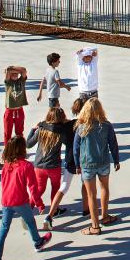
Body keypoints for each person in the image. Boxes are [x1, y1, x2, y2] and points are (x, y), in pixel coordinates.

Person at [0, 136, 52, 260]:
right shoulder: (27, 166)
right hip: (20, 201)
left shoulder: (6, 164)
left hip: (6, 201)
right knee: (30, 221)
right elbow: (32, 187)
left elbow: (3, 182)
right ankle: (37, 242)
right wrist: (39, 204)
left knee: (3, 229)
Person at [74, 99, 121, 235]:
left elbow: (76, 148)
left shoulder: (81, 127)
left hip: (87, 164)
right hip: (103, 162)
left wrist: (77, 165)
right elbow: (113, 144)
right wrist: (116, 160)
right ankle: (105, 216)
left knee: (91, 195)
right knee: (104, 188)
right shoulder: (106, 125)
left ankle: (95, 226)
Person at [46, 98, 85, 228]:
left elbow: (54, 125)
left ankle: (50, 215)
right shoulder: (86, 124)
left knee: (64, 187)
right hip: (83, 159)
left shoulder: (66, 126)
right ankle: (86, 210)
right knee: (85, 185)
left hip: (69, 159)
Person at [27, 109, 66, 217]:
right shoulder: (61, 132)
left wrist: (33, 129)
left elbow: (28, 144)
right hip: (54, 166)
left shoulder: (41, 129)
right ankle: (54, 210)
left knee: (39, 189)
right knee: (55, 188)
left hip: (39, 166)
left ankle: (29, 208)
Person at [2, 66, 28, 143]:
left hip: (19, 110)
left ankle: (20, 150)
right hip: (9, 111)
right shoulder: (8, 82)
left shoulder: (21, 81)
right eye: (12, 74)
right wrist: (9, 70)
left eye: (16, 74)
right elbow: (8, 71)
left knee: (19, 133)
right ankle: (7, 151)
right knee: (7, 133)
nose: (15, 75)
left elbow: (24, 70)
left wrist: (15, 70)